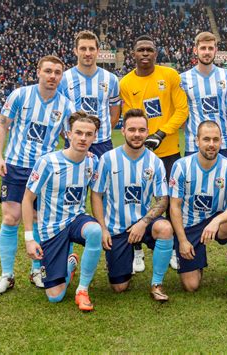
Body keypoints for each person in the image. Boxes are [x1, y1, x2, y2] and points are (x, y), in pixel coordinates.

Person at [0, 55, 75, 294]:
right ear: (38, 72)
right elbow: (2, 124)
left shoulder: (66, 106)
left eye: (57, 72)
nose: (52, 76)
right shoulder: (20, 95)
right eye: (48, 71)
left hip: (44, 171)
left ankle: (37, 269)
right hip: (16, 166)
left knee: (38, 218)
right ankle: (7, 275)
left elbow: (69, 138)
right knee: (11, 218)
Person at [120, 35, 188, 272]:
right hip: (140, 153)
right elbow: (131, 117)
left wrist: (161, 133)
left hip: (169, 151)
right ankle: (136, 250)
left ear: (156, 53)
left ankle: (169, 247)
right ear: (134, 54)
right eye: (141, 50)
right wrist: (142, 138)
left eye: (149, 49)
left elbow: (182, 110)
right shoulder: (126, 83)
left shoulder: (169, 76)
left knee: (170, 201)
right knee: (134, 199)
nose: (145, 53)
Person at [91, 109, 174, 302]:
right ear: (123, 131)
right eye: (132, 129)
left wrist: (143, 223)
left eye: (141, 130)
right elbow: (96, 194)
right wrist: (103, 229)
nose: (137, 134)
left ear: (147, 132)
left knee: (165, 228)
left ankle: (156, 284)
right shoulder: (108, 159)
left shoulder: (155, 161)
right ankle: (120, 260)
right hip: (116, 228)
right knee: (119, 287)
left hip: (144, 225)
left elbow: (162, 199)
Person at [22, 111, 103, 312]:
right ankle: (70, 264)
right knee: (55, 297)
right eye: (79, 133)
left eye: (88, 134)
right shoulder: (47, 162)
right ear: (68, 134)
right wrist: (30, 239)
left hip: (76, 220)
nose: (83, 138)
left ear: (94, 137)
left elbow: (97, 194)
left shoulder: (93, 162)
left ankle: (82, 290)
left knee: (94, 231)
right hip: (52, 229)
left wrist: (103, 225)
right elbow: (27, 199)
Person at [169, 121, 227, 303]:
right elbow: (174, 206)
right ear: (196, 140)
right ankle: (197, 260)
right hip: (190, 224)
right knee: (191, 286)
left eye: (215, 139)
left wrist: (215, 222)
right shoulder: (181, 166)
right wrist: (182, 240)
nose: (211, 144)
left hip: (217, 220)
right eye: (206, 139)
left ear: (221, 141)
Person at [58, 30, 121, 158]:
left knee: (103, 178)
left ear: (98, 51)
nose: (87, 53)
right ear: (75, 51)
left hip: (102, 144)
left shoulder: (111, 79)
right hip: (73, 143)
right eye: (83, 48)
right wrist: (70, 137)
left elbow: (114, 115)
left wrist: (97, 134)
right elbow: (57, 117)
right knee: (75, 178)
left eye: (91, 49)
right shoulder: (63, 79)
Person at [180, 31, 227, 159]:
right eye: (203, 48)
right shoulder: (183, 79)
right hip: (194, 146)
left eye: (210, 48)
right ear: (195, 50)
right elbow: (182, 115)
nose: (207, 52)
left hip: (223, 144)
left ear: (216, 50)